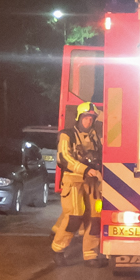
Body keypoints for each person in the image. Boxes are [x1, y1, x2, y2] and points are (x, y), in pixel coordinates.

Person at [52, 104, 105, 265]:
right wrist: (84, 169)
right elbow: (64, 158)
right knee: (75, 215)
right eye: (86, 118)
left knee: (96, 218)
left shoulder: (96, 137)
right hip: (73, 182)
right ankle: (57, 250)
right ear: (79, 118)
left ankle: (90, 255)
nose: (88, 122)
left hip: (93, 184)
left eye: (91, 119)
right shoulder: (67, 135)